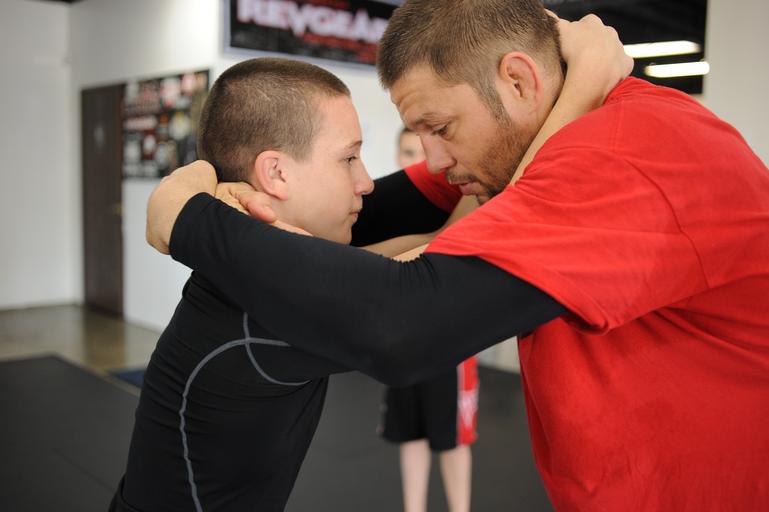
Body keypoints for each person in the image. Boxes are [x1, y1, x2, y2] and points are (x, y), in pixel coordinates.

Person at [149, 2, 769, 509]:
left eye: (441, 128)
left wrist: (187, 217)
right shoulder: (501, 152)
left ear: (519, 82)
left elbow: (402, 325)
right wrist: (221, 191)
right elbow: (353, 224)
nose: (435, 161)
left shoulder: (628, 155)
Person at [110, 57, 377, 512]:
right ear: (276, 173)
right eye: (349, 158)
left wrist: (184, 188)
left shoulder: (249, 268)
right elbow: (421, 280)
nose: (365, 181)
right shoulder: (278, 294)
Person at [380, 128, 478, 512]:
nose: (414, 162)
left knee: (452, 439)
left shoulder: (458, 200)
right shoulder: (389, 213)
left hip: (449, 345)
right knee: (411, 433)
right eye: (406, 153)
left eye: (419, 155)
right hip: (405, 342)